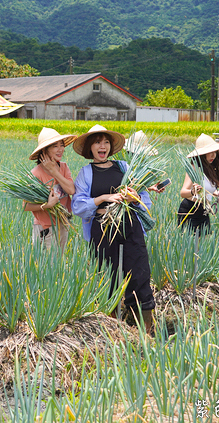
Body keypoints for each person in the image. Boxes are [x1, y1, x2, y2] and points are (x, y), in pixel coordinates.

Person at [72, 125, 155, 333]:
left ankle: (145, 330)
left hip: (129, 226)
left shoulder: (124, 167)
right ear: (90, 148)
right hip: (102, 228)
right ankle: (110, 328)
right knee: (106, 274)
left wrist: (133, 198)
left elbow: (144, 199)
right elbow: (78, 206)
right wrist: (102, 198)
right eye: (98, 142)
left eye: (106, 142)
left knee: (139, 273)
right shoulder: (86, 173)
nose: (103, 146)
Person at [24, 127, 76, 250]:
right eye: (55, 146)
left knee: (59, 263)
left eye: (62, 145)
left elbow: (71, 190)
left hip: (63, 224)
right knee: (46, 267)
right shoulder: (35, 174)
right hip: (45, 228)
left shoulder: (63, 167)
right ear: (44, 150)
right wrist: (47, 205)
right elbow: (25, 206)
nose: (60, 149)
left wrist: (54, 171)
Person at [177, 134, 219, 234]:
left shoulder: (209, 168)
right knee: (191, 246)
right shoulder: (194, 168)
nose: (213, 156)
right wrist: (193, 192)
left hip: (203, 210)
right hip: (190, 210)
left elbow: (209, 190)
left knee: (203, 245)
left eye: (214, 152)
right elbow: (183, 192)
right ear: (201, 154)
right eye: (209, 153)